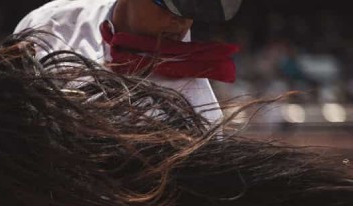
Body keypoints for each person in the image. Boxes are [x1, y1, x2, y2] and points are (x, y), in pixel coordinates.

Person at [15, 0, 244, 124]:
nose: (180, 21)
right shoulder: (49, 22)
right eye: (169, 5)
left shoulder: (197, 111)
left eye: (192, 7)